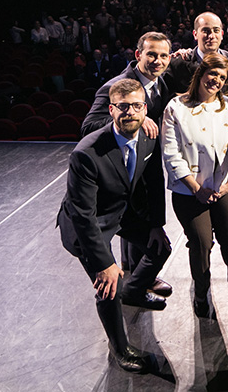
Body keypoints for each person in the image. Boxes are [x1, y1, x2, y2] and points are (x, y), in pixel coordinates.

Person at [57, 78, 172, 373]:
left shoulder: (148, 137)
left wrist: (155, 224)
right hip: (90, 224)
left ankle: (133, 292)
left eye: (136, 106)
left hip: (122, 211)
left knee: (160, 249)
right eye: (123, 107)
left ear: (145, 109)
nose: (130, 112)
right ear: (111, 109)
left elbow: (154, 181)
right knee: (108, 286)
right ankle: (119, 348)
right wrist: (105, 264)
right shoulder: (86, 153)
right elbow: (83, 214)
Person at [81, 32, 174, 294]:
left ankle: (136, 275)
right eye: (151, 54)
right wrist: (133, 116)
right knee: (129, 219)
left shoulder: (161, 82)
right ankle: (135, 280)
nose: (158, 60)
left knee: (140, 217)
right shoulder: (117, 85)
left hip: (143, 163)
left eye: (163, 55)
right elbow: (88, 127)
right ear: (138, 55)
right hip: (117, 168)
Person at [161, 53, 228, 318]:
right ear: (201, 73)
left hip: (224, 188)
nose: (217, 81)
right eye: (213, 74)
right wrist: (197, 189)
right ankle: (201, 290)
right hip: (189, 192)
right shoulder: (175, 108)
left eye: (223, 78)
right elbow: (171, 154)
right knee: (201, 243)